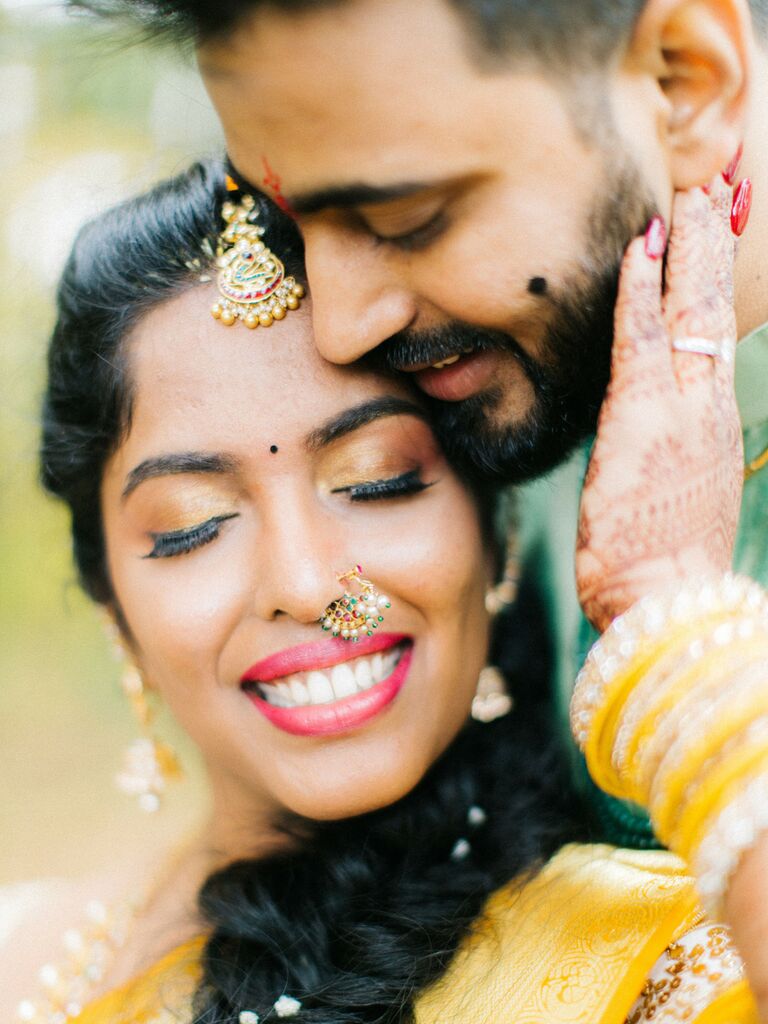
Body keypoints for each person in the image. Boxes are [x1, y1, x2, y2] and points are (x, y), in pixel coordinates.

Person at [2, 160, 760, 1022]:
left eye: (378, 480)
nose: (308, 583)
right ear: (113, 604)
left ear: (497, 534)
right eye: (194, 524)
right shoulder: (23, 950)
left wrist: (678, 644)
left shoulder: (668, 967)